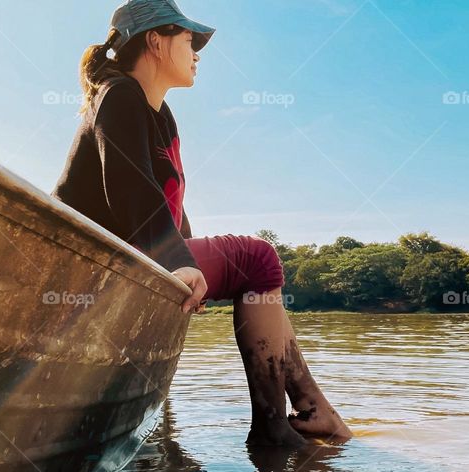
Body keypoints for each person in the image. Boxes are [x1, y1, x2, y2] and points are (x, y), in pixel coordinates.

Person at [52, 0, 351, 446]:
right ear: (156, 41)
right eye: (190, 40)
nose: (197, 53)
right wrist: (178, 259)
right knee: (258, 259)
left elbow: (168, 202)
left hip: (138, 256)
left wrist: (187, 258)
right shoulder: (119, 96)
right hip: (100, 264)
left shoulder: (159, 113)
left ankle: (314, 412)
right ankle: (275, 429)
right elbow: (130, 188)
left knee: (257, 267)